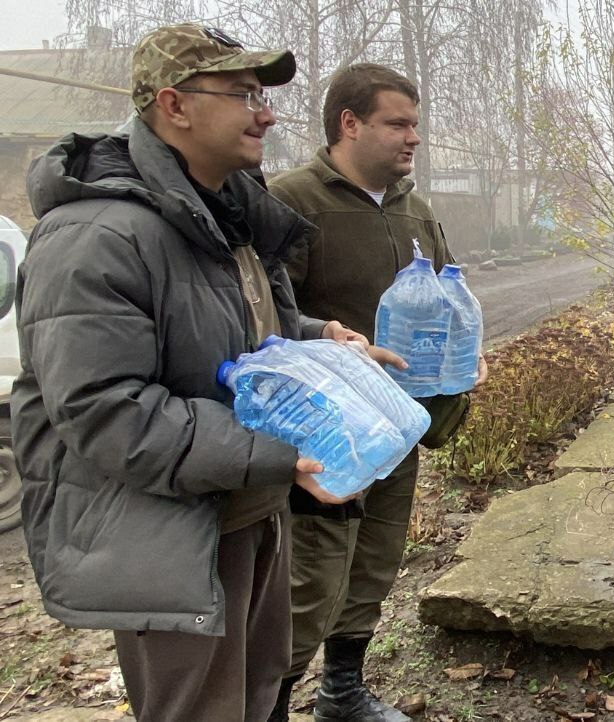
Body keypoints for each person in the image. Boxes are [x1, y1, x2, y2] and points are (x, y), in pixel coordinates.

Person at [11, 24, 397, 722]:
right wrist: (283, 453)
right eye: (244, 93)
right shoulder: (96, 236)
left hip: (250, 510)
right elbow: (106, 413)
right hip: (175, 533)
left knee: (257, 700)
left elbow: (244, 332)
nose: (268, 111)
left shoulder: (227, 216)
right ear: (174, 105)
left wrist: (320, 338)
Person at [268, 63, 486, 722]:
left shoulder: (416, 211)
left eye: (414, 124)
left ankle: (341, 693)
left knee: (375, 565)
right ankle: (268, 706)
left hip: (400, 427)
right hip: (326, 442)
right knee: (310, 583)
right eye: (398, 123)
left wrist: (462, 365)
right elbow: (262, 319)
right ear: (349, 123)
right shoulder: (291, 203)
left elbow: (449, 300)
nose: (412, 138)